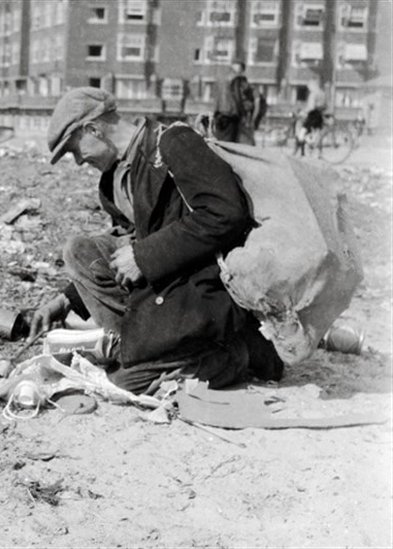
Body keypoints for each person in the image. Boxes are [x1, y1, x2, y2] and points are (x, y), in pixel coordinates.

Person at [30, 87, 283, 394]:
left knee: (124, 384)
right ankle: (141, 350)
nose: (79, 161)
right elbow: (126, 243)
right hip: (164, 284)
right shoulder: (111, 183)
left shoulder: (174, 144)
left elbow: (226, 213)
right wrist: (66, 300)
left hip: (202, 285)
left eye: (74, 149)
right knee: (79, 251)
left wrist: (144, 256)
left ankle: (238, 352)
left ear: (93, 129)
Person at [212, 60, 261, 145]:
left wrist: (215, 113)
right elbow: (238, 98)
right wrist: (243, 113)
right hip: (232, 114)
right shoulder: (237, 79)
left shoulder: (221, 78)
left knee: (220, 142)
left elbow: (216, 96)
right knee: (230, 144)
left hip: (219, 114)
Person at [295, 78, 328, 156]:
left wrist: (303, 112)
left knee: (302, 132)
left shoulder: (313, 94)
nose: (309, 89)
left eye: (309, 87)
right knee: (317, 134)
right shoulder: (323, 93)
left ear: (313, 86)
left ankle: (300, 152)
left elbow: (311, 107)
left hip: (312, 116)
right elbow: (325, 106)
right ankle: (318, 153)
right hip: (320, 116)